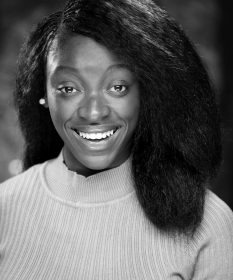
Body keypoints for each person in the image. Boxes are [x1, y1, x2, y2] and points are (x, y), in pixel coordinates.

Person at [0, 0, 233, 279]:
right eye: (69, 88)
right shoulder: (5, 207)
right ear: (44, 96)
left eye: (118, 87)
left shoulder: (209, 223)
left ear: (146, 95)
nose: (94, 112)